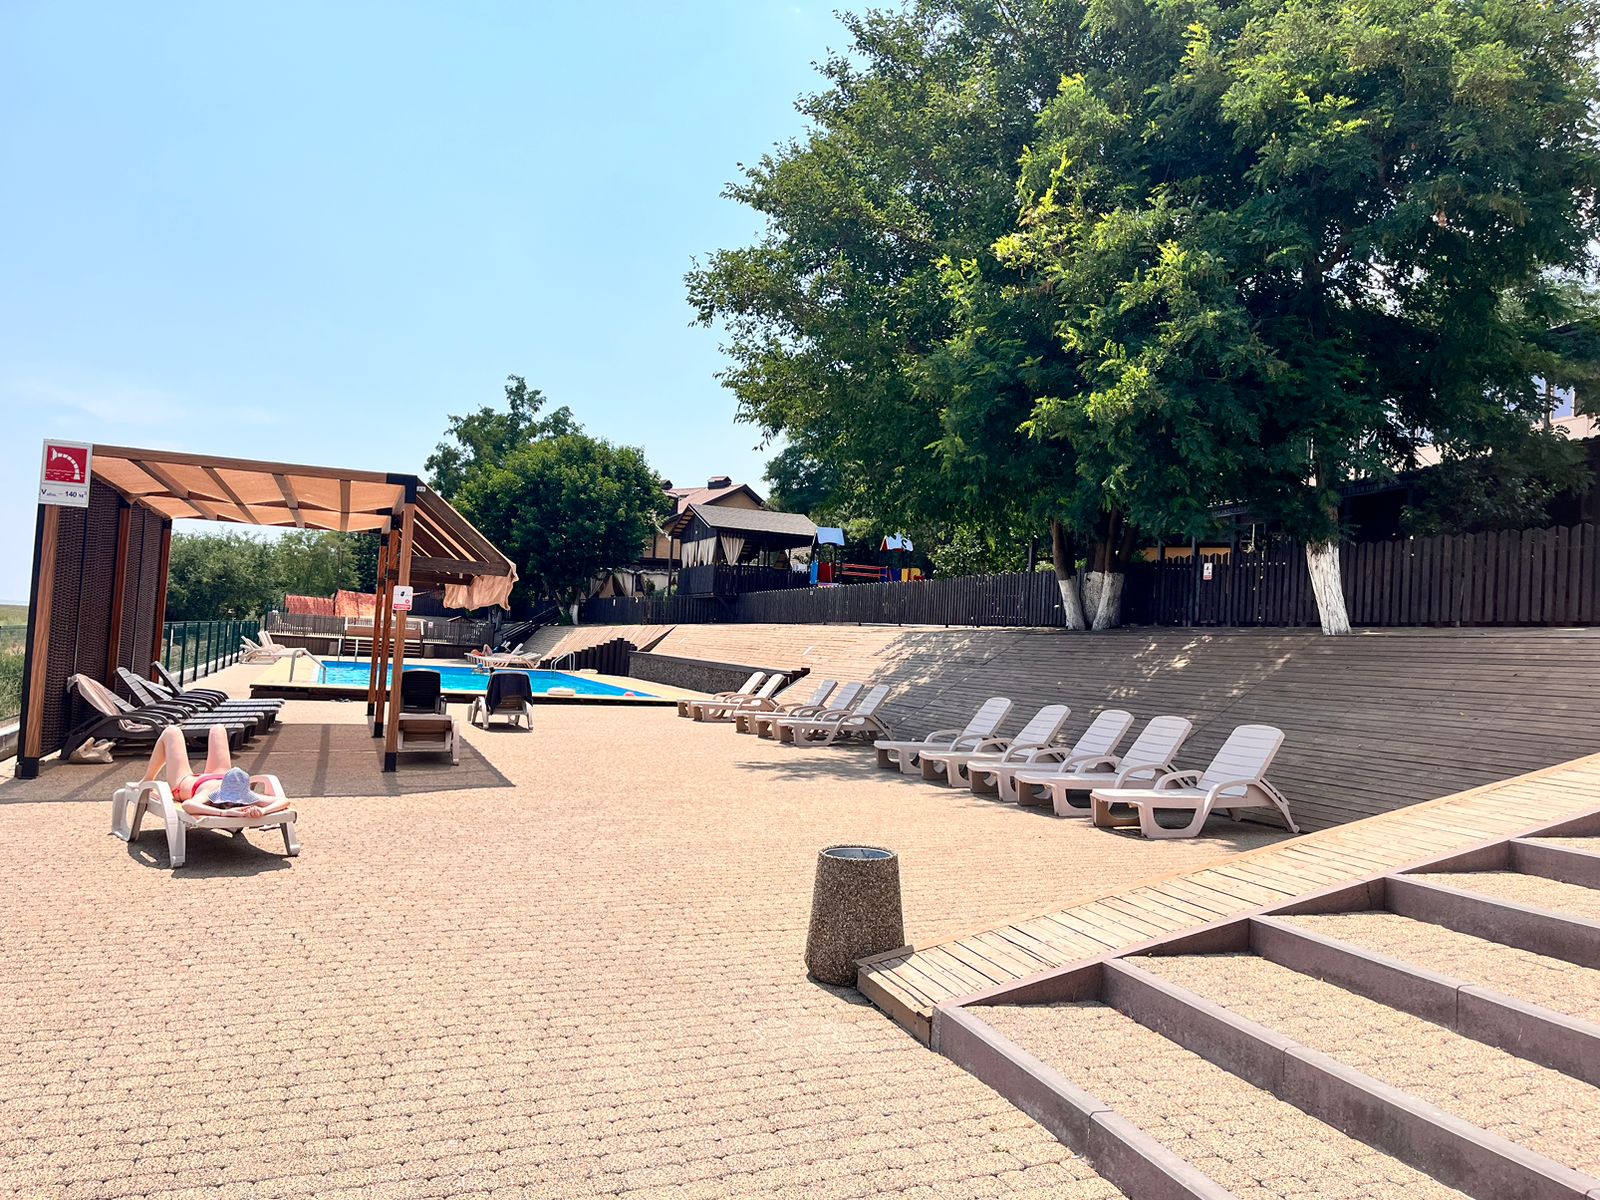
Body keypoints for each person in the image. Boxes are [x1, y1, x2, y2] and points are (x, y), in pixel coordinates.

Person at [138, 724, 289, 819]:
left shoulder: (242, 793)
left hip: (191, 782)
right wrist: (224, 813)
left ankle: (147, 779)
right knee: (218, 728)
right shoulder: (213, 794)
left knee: (172, 731)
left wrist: (263, 811)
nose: (231, 804)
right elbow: (188, 805)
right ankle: (147, 779)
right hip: (211, 780)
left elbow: (283, 801)